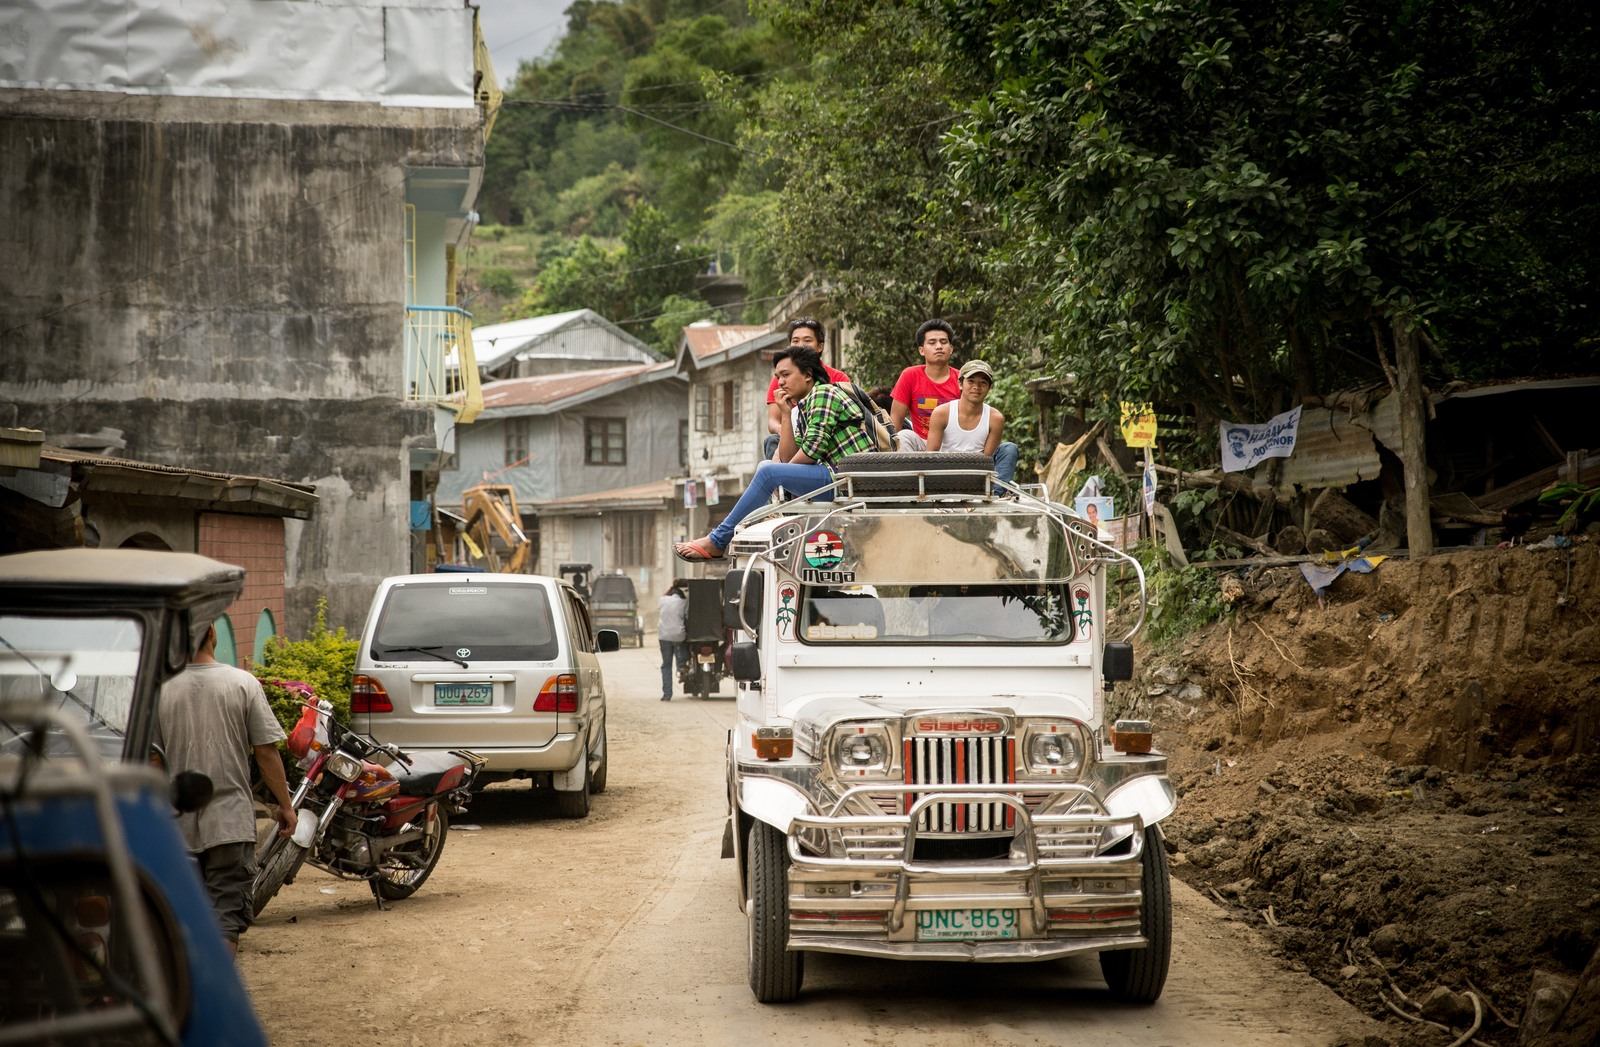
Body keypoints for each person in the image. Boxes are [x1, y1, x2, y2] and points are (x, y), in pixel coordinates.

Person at [154, 623, 296, 957]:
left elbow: (152, 762)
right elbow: (266, 751)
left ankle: (185, 998)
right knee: (225, 922)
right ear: (213, 636)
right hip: (230, 824)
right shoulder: (242, 683)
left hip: (177, 827)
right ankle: (217, 998)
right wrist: (285, 806)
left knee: (182, 919)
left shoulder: (159, 689)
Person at [676, 346, 873, 561]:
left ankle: (718, 540)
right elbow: (789, 457)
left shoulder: (823, 393)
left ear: (807, 375)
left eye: (786, 375)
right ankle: (730, 532)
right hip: (833, 479)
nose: (780, 382)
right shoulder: (805, 406)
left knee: (768, 472)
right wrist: (786, 415)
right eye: (778, 377)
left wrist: (776, 476)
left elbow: (810, 452)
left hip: (846, 481)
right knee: (767, 469)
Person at [764, 318, 850, 460]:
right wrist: (787, 430)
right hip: (797, 435)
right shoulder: (782, 380)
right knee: (772, 443)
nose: (800, 345)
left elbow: (813, 447)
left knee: (770, 470)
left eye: (807, 340)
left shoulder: (827, 388)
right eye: (795, 341)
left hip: (831, 448)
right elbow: (772, 421)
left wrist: (782, 473)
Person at [925, 359, 1019, 482]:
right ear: (960, 384)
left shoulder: (995, 418)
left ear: (989, 388)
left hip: (979, 472)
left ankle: (995, 493)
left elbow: (987, 460)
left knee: (1009, 448)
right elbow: (931, 456)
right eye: (971, 381)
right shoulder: (942, 413)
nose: (976, 387)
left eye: (983, 383)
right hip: (946, 471)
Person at [889, 319, 960, 452]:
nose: (939, 346)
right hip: (922, 444)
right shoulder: (910, 375)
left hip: (953, 446)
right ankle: (905, 473)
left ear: (951, 349)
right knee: (903, 436)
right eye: (932, 342)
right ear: (921, 350)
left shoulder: (962, 379)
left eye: (944, 342)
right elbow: (895, 421)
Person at [657, 580, 688, 701]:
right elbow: (686, 617)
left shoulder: (662, 600)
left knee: (666, 665)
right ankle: (682, 667)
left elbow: (660, 610)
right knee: (682, 654)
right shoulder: (683, 602)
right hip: (678, 635)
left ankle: (667, 694)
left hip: (664, 635)